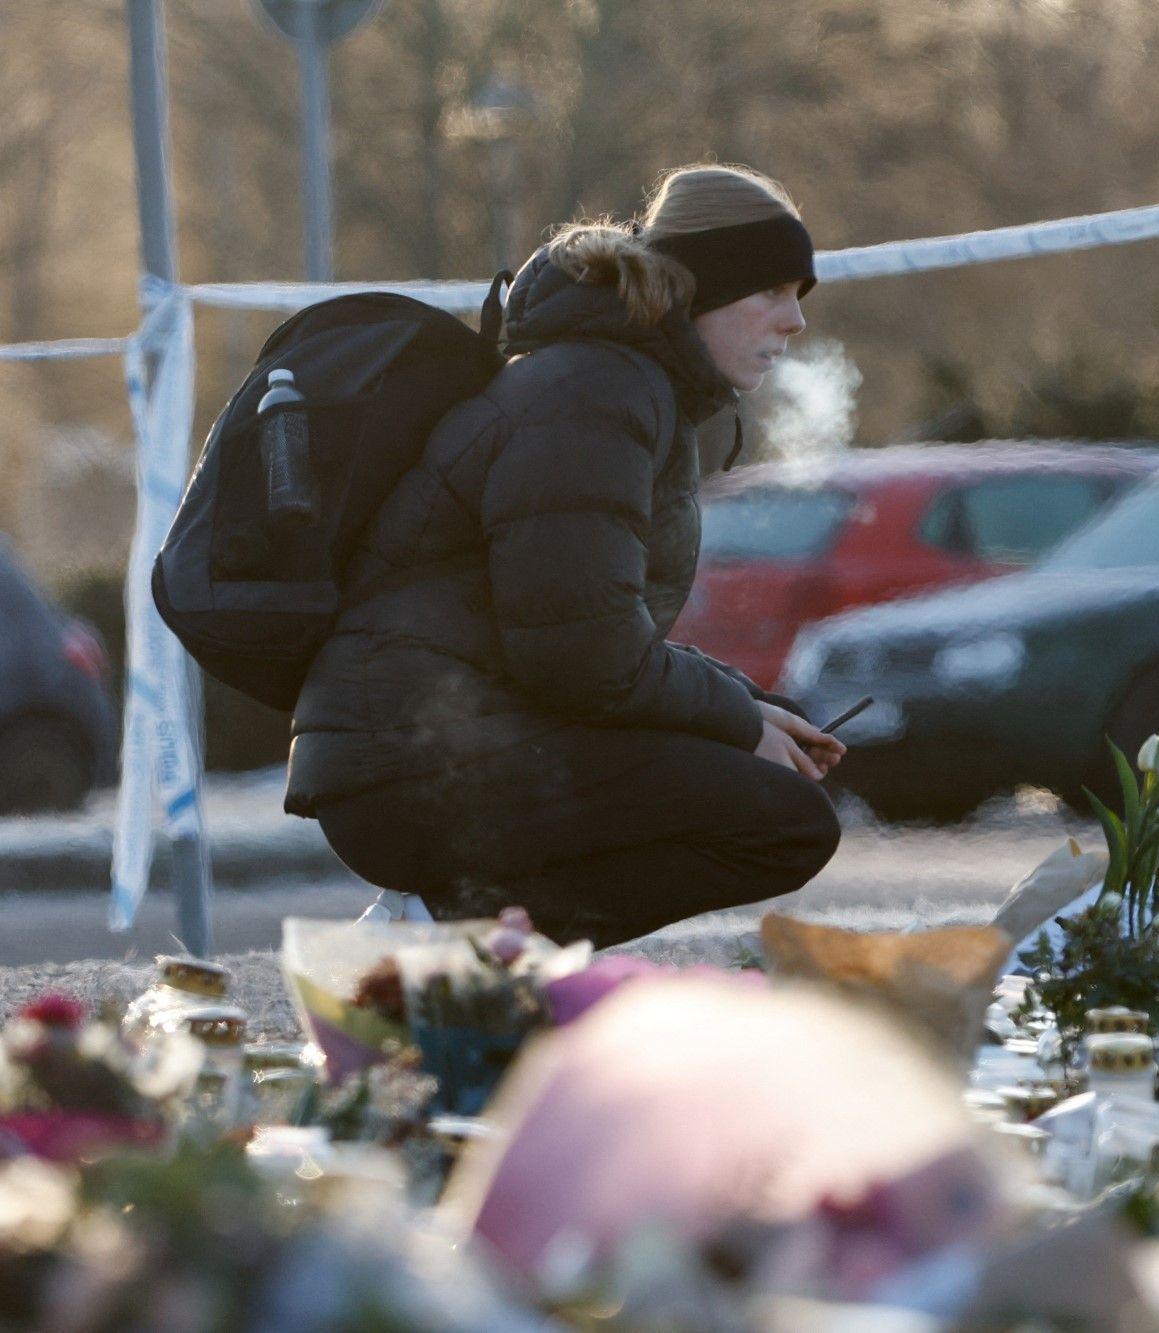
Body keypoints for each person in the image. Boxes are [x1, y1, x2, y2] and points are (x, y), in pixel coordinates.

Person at [285, 164, 845, 947]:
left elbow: (586, 622)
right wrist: (731, 720)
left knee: (772, 797)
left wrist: (744, 706)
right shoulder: (597, 391)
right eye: (772, 291)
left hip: (428, 747)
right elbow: (579, 653)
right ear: (702, 289)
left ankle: (470, 949)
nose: (794, 322)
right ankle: (448, 930)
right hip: (409, 766)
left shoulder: (616, 381)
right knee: (782, 821)